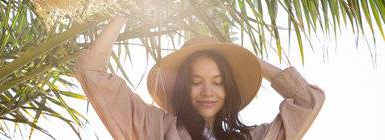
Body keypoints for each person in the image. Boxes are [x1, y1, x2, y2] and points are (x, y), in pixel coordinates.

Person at [74, 16, 325, 140]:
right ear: (182, 87)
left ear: (229, 90)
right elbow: (92, 73)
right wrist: (122, 14)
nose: (208, 91)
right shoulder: (155, 128)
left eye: (218, 82)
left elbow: (306, 100)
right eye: (196, 81)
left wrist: (252, 61)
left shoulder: (249, 138)